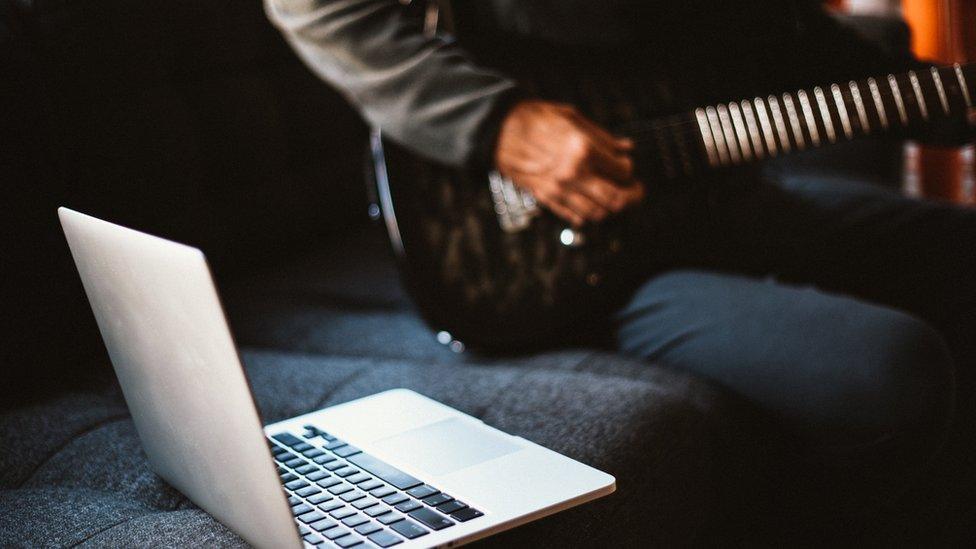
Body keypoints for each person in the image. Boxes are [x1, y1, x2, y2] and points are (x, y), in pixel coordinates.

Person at [265, 0, 975, 530]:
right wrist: (494, 122)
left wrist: (952, 102)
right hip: (549, 252)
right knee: (892, 366)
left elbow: (793, 38)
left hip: (713, 192)